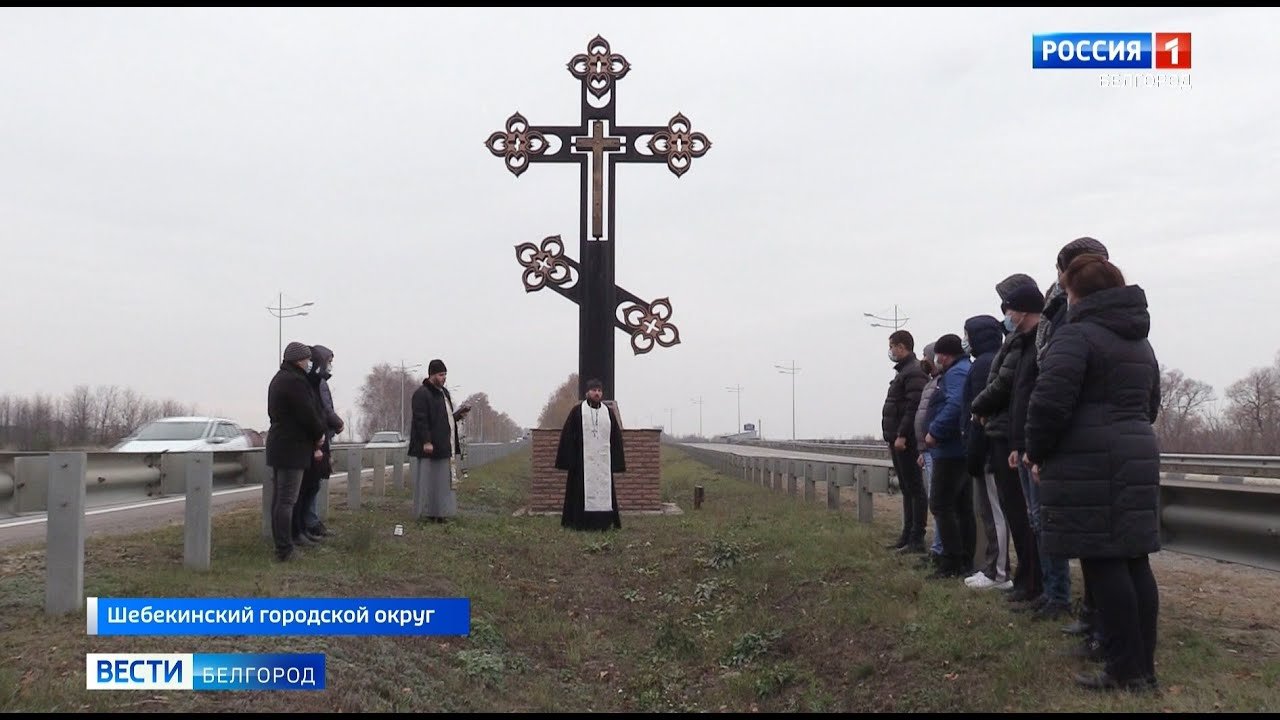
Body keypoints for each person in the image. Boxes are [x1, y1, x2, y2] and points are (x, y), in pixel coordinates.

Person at [1025, 253, 1161, 692]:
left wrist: (1037, 452)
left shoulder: (1076, 336)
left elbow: (1048, 403)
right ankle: (1142, 668)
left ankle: (1124, 669)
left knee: (1104, 565)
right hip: (1136, 451)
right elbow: (1151, 405)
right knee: (1134, 561)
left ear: (1076, 293)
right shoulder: (1140, 342)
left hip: (1088, 459)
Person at [1038, 236, 1110, 649]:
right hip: (1095, 442)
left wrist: (1039, 446)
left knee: (1107, 557)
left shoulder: (1081, 331)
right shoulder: (1126, 325)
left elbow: (1054, 389)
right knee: (1101, 554)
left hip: (1086, 445)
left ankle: (1112, 640)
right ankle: (1098, 623)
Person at [972, 273, 1045, 611]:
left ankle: (1034, 582)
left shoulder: (1026, 343)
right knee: (1018, 516)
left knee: (1023, 515)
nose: (1006, 313)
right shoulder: (1016, 342)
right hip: (1005, 432)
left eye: (1009, 306)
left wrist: (978, 406)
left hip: (1010, 436)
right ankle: (1026, 578)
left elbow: (1005, 385)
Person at [960, 315, 1011, 590]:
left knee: (994, 513)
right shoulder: (986, 361)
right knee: (989, 512)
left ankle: (999, 573)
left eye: (967, 335)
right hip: (987, 448)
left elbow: (979, 412)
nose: (965, 341)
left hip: (988, 450)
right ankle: (995, 568)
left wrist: (976, 450)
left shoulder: (983, 365)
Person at [265, 342, 327, 562]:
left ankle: (284, 544)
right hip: (291, 447)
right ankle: (284, 549)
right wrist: (319, 433)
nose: (310, 363)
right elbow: (308, 413)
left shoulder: (279, 379)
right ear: (299, 360)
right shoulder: (294, 382)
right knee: (287, 500)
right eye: (308, 359)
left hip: (280, 445)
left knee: (280, 499)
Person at [923, 333, 974, 579]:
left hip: (950, 450)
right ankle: (963, 560)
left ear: (944, 355)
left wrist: (935, 430)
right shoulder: (959, 371)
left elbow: (955, 405)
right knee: (961, 507)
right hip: (955, 450)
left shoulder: (956, 374)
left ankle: (951, 562)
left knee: (942, 504)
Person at [555, 379, 626, 531]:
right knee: (580, 492)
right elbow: (568, 435)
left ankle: (605, 523)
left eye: (599, 390)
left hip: (602, 462)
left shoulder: (608, 412)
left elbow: (615, 436)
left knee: (604, 491)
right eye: (594, 390)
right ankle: (579, 523)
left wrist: (617, 461)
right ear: (587, 392)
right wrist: (570, 459)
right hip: (583, 462)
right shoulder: (577, 411)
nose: (597, 393)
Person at [881, 330, 929, 553]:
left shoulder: (914, 372)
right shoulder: (904, 372)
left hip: (906, 441)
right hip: (897, 439)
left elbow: (912, 408)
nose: (890, 351)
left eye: (892, 346)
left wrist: (901, 435)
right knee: (907, 488)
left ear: (901, 347)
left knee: (914, 488)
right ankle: (906, 535)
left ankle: (916, 538)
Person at [408, 359, 471, 523]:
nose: (444, 378)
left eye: (445, 375)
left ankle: (441, 513)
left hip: (444, 446)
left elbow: (443, 419)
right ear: (432, 375)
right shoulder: (422, 394)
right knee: (429, 481)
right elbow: (421, 420)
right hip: (429, 448)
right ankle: (426, 513)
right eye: (441, 375)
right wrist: (426, 441)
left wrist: (458, 415)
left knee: (442, 483)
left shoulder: (444, 393)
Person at [296, 345, 343, 543]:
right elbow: (322, 409)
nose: (331, 366)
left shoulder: (317, 381)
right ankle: (308, 524)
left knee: (312, 484)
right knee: (310, 485)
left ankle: (309, 524)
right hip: (317, 438)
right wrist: (337, 423)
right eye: (329, 361)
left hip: (320, 435)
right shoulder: (317, 382)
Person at [913, 343, 943, 566]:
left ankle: (939, 549)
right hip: (929, 450)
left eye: (926, 355)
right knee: (936, 501)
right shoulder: (932, 383)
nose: (922, 359)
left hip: (938, 449)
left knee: (939, 502)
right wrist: (922, 449)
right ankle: (938, 548)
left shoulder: (943, 383)